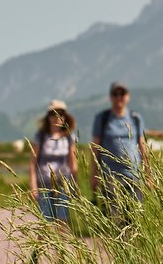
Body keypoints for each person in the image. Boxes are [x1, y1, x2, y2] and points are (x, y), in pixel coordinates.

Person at [91, 82, 147, 225]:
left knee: (134, 217)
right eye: (115, 94)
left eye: (122, 94)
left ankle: (132, 246)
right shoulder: (103, 118)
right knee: (113, 217)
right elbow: (95, 146)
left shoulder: (135, 118)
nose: (119, 97)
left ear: (128, 96)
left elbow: (142, 145)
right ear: (111, 97)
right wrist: (94, 174)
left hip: (133, 175)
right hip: (110, 175)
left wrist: (148, 172)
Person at [31, 100, 79, 226]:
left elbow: (72, 163)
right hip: (44, 185)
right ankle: (41, 246)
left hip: (64, 185)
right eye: (53, 113)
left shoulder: (69, 137)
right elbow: (32, 163)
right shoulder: (41, 136)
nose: (56, 117)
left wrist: (75, 184)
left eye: (60, 113)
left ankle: (63, 246)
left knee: (63, 222)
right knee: (45, 223)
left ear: (65, 116)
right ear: (48, 117)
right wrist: (33, 187)